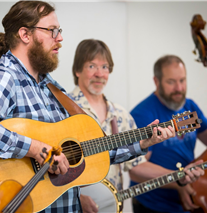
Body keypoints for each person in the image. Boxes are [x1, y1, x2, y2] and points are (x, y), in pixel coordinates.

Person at [0, 1, 176, 212]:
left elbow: (93, 150)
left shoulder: (51, 86)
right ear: (25, 34)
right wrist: (36, 149)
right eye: (52, 31)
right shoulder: (6, 76)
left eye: (59, 31)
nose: (60, 38)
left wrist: (143, 142)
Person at [68, 40, 199, 213]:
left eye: (105, 67)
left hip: (110, 207)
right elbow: (48, 162)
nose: (100, 74)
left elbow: (137, 165)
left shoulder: (121, 115)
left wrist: (179, 175)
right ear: (77, 70)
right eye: (92, 66)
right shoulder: (62, 108)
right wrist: (75, 197)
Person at [125, 54, 207, 213]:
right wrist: (178, 180)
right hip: (153, 205)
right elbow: (136, 170)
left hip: (188, 201)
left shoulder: (189, 107)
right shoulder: (143, 114)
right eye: (171, 82)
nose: (179, 88)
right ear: (156, 81)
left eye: (182, 80)